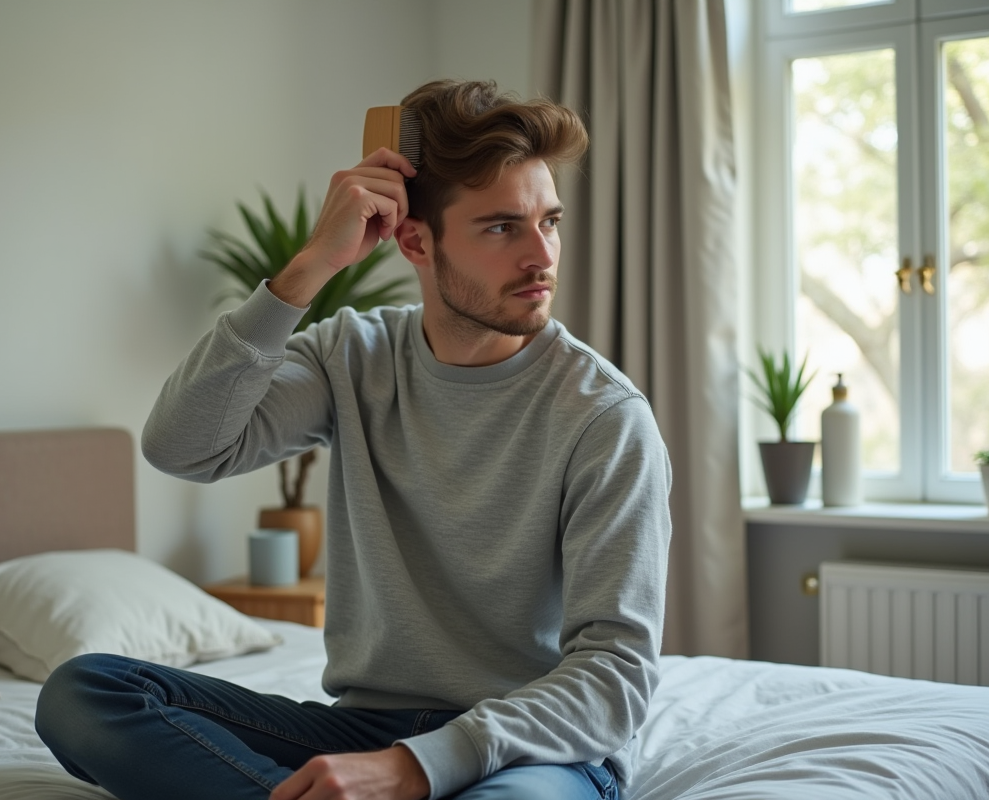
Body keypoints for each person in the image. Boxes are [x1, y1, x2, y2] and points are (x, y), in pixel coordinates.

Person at [36, 79, 672, 800]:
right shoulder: (353, 356)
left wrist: (421, 766)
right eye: (502, 227)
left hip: (532, 747)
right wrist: (309, 269)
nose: (542, 255)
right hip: (366, 728)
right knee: (84, 692)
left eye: (549, 221)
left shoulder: (605, 416)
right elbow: (182, 447)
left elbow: (615, 677)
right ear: (413, 240)